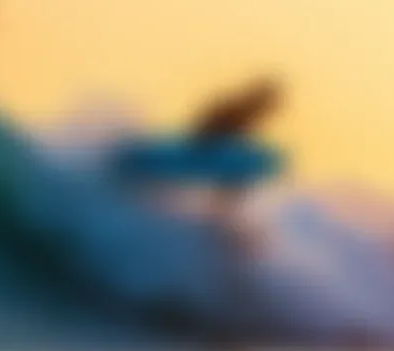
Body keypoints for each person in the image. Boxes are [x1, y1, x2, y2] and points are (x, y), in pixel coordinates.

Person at [111, 78, 287, 248]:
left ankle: (226, 233)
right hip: (200, 156)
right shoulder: (235, 110)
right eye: (268, 105)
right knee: (233, 184)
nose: (268, 112)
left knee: (236, 183)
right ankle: (226, 233)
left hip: (206, 161)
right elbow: (207, 130)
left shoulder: (239, 123)